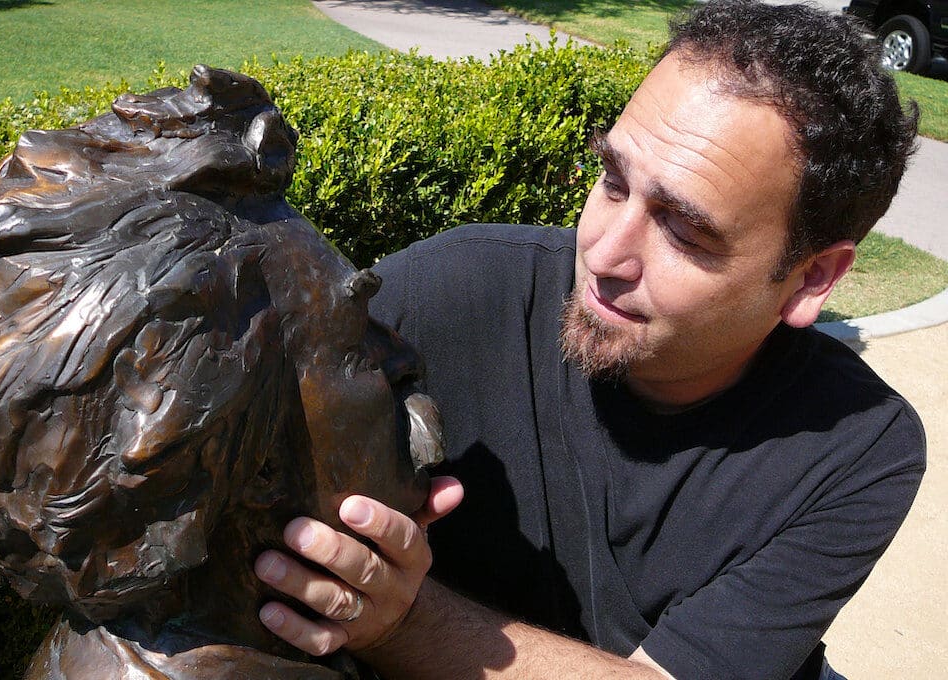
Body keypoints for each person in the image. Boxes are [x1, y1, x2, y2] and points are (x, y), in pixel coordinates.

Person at [252, 1, 925, 678]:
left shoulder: (856, 447)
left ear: (811, 279)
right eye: (611, 180)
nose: (604, 254)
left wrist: (400, 620)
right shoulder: (446, 293)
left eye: (684, 231)